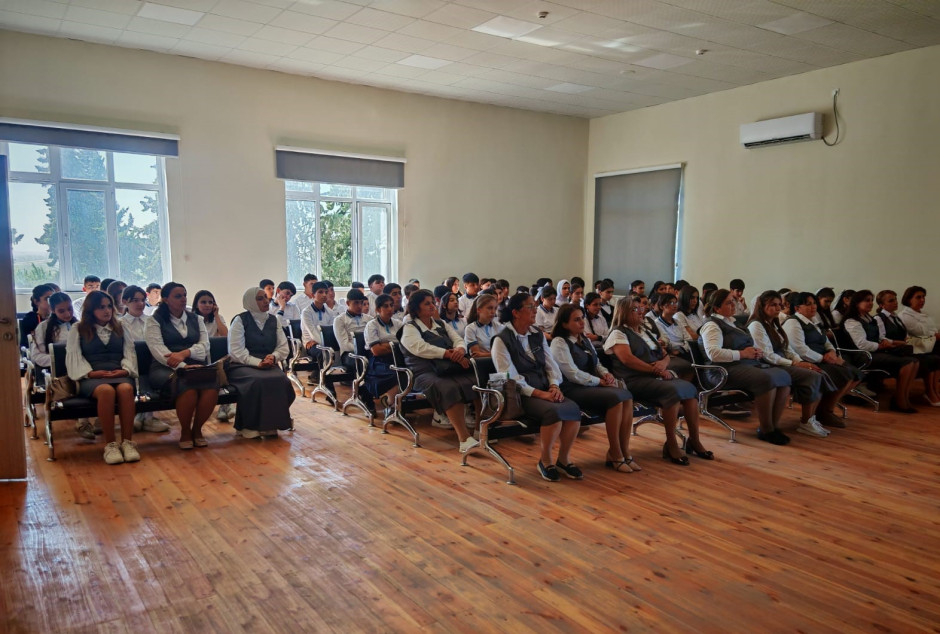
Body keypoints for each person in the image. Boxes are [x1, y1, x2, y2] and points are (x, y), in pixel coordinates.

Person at [604, 296, 712, 465]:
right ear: (624, 312)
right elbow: (628, 360)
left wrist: (663, 364)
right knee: (673, 392)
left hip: (654, 377)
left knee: (690, 391)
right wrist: (656, 370)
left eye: (641, 308)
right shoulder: (619, 333)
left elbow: (664, 354)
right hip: (633, 380)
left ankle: (694, 440)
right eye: (635, 309)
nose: (641, 312)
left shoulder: (644, 331)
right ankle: (671, 443)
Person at [492, 293, 583, 481]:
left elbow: (551, 364)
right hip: (521, 395)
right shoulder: (502, 339)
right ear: (516, 312)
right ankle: (545, 460)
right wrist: (540, 394)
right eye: (530, 307)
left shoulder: (536, 334)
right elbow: (510, 377)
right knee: (553, 412)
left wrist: (554, 386)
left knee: (572, 408)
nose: (535, 311)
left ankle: (564, 459)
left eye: (535, 307)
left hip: (545, 389)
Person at [550, 304, 636, 472]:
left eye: (582, 318)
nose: (582, 322)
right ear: (564, 324)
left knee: (626, 396)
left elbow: (597, 364)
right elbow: (572, 374)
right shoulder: (559, 342)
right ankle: (615, 452)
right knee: (616, 398)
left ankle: (624, 451)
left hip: (591, 385)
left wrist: (606, 374)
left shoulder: (585, 339)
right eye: (576, 320)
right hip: (572, 389)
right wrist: (599, 381)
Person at [701, 289, 792, 445]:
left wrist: (754, 352)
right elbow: (713, 354)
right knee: (766, 379)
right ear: (717, 308)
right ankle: (766, 429)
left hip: (741, 365)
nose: (733, 305)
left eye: (733, 301)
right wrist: (742, 354)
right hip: (721, 370)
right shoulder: (712, 325)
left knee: (783, 377)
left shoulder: (732, 322)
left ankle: (774, 426)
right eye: (728, 303)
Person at [399, 289, 478, 453]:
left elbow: (458, 339)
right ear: (416, 307)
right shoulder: (410, 327)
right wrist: (448, 354)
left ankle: (479, 429)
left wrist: (460, 350)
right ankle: (463, 438)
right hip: (424, 371)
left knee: (477, 381)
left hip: (448, 366)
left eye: (432, 303)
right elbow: (421, 348)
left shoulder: (440, 323)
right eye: (426, 304)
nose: (432, 306)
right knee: (449, 387)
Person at [65, 290, 139, 465]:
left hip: (119, 373)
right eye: (101, 307)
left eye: (109, 306)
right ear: (91, 310)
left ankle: (127, 442)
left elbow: (130, 352)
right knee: (106, 391)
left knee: (126, 389)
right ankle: (110, 445)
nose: (106, 311)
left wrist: (125, 370)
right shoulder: (78, 329)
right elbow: (74, 356)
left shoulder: (121, 326)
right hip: (91, 377)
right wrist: (90, 373)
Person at [747, 291, 832, 438]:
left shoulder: (773, 324)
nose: (778, 308)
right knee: (813, 376)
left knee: (818, 372)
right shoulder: (756, 325)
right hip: (768, 365)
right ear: (762, 306)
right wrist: (794, 364)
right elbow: (768, 356)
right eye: (773, 305)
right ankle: (805, 422)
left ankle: (810, 418)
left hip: (781, 362)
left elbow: (787, 349)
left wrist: (801, 361)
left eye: (779, 305)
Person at [146, 282, 219, 448]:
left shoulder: (196, 319)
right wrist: (182, 366)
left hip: (195, 365)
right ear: (166, 299)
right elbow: (158, 350)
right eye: (178, 296)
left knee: (211, 386)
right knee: (187, 386)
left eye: (184, 295)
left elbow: (205, 346)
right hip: (164, 367)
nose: (183, 299)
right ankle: (185, 430)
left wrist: (185, 353)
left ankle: (197, 429)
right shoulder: (154, 320)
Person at [783, 292, 863, 427]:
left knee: (855, 374)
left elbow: (826, 341)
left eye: (814, 303)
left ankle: (825, 408)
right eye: (808, 304)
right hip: (807, 361)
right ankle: (825, 412)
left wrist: (831, 352)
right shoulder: (793, 322)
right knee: (846, 374)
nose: (813, 306)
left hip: (823, 359)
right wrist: (823, 358)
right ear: (797, 308)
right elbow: (800, 349)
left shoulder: (813, 321)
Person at [227, 287, 295, 438]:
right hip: (242, 365)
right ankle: (247, 425)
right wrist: (257, 362)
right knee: (256, 381)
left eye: (265, 297)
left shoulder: (273, 320)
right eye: (260, 298)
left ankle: (270, 424)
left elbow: (283, 346)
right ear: (250, 302)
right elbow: (236, 351)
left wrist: (274, 356)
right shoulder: (240, 320)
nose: (265, 301)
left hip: (267, 364)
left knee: (282, 380)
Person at [842, 289, 920, 413]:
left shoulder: (868, 318)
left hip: (875, 352)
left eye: (871, 300)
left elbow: (878, 337)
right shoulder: (852, 321)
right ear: (857, 303)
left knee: (914, 361)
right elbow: (862, 344)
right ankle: (899, 401)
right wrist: (880, 346)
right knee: (908, 363)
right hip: (863, 356)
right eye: (867, 300)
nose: (870, 303)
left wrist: (887, 342)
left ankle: (903, 397)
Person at [875, 289, 940, 405]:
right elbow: (882, 339)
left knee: (935, 356)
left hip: (904, 346)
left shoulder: (895, 317)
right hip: (892, 350)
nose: (895, 302)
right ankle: (925, 393)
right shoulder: (879, 318)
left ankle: (933, 391)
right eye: (891, 300)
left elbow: (906, 336)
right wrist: (901, 342)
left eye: (895, 299)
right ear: (882, 305)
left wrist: (906, 341)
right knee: (932, 355)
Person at [121, 285, 171, 434]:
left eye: (143, 300)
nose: (140, 304)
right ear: (125, 301)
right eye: (135, 300)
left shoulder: (151, 321)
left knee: (151, 380)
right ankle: (138, 417)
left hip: (151, 362)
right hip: (129, 363)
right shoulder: (120, 323)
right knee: (136, 382)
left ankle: (146, 418)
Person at [363, 293, 402, 412]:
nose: (390, 309)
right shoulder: (372, 325)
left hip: (398, 357)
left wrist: (386, 344)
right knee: (395, 374)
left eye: (391, 305)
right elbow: (376, 350)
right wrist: (396, 344)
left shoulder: (398, 324)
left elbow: (406, 344)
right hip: (378, 361)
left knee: (411, 371)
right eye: (386, 306)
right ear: (378, 309)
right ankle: (392, 406)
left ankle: (393, 403)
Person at [899, 286, 940, 357]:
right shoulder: (904, 315)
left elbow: (933, 328)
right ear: (909, 299)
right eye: (918, 297)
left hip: (932, 343)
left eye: (923, 297)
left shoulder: (924, 313)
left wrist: (936, 333)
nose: (922, 300)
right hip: (919, 347)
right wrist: (935, 334)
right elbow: (921, 333)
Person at [464, 294, 503, 358]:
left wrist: (485, 354)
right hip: (482, 363)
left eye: (495, 308)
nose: (493, 312)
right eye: (489, 308)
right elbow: (476, 355)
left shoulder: (499, 326)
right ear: (479, 310)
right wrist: (499, 354)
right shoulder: (471, 328)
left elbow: (508, 351)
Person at [19, 283, 55, 349]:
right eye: (47, 299)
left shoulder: (56, 317)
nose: (51, 302)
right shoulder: (30, 319)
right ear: (36, 302)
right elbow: (28, 343)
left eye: (53, 299)